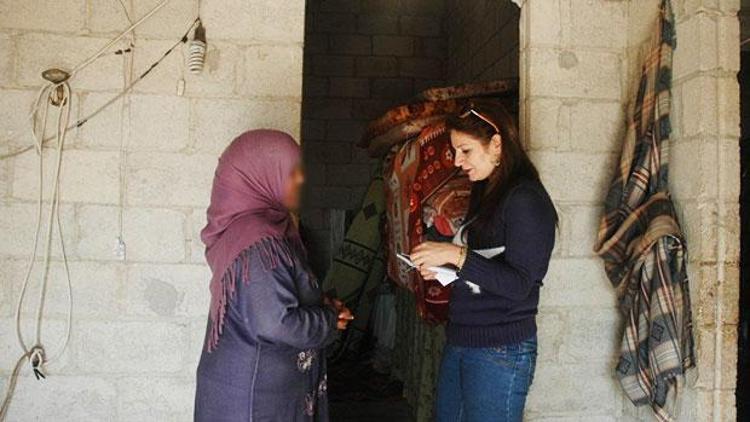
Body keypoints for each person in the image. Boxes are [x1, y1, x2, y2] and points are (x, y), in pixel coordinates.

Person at [410, 102, 557, 422]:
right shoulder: (486, 192)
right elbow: (483, 268)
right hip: (462, 338)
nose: (458, 162)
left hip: (500, 349)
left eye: (465, 151)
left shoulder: (525, 199)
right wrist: (445, 269)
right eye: (454, 152)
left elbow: (519, 284)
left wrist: (455, 255)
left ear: (497, 144)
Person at [194, 129, 353, 422]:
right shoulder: (258, 242)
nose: (301, 180)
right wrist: (328, 320)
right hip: (256, 402)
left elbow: (270, 299)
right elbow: (277, 324)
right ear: (261, 177)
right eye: (292, 173)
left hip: (251, 390)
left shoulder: (264, 230)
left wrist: (322, 304)